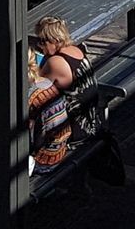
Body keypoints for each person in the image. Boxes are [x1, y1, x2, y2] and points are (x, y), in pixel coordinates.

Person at [27, 17, 91, 169]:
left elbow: (38, 88)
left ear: (53, 40)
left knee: (34, 109)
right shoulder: (76, 50)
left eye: (42, 42)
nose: (40, 46)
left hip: (74, 128)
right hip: (90, 118)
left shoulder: (55, 63)